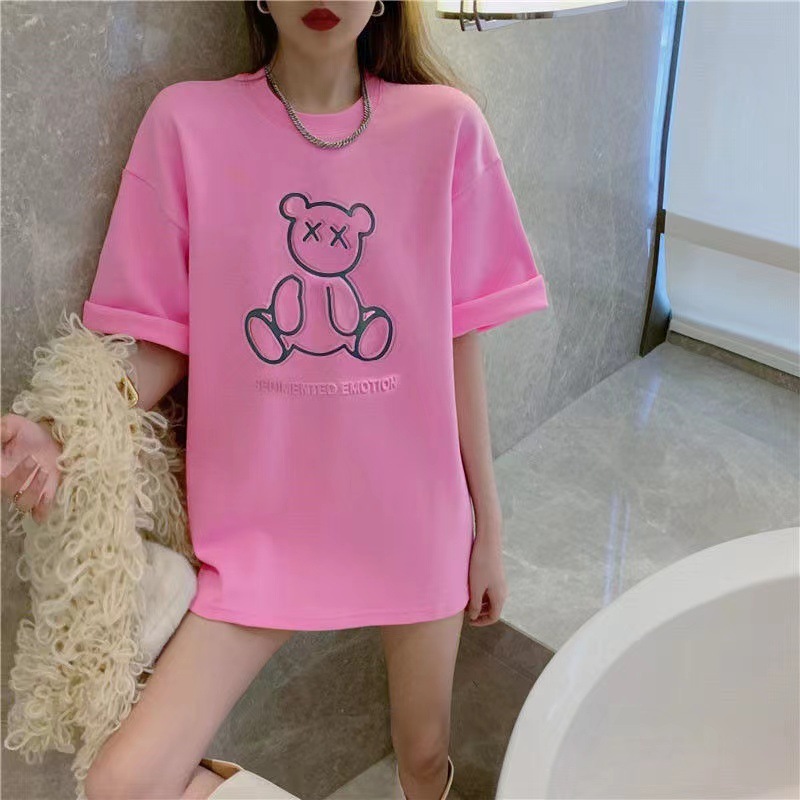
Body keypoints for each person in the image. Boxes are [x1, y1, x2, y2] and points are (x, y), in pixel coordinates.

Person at [0, 1, 549, 798]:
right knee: (124, 784)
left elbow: (457, 345)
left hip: (413, 518)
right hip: (260, 530)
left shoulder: (447, 128)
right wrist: (65, 432)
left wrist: (487, 528)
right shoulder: (189, 124)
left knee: (426, 758)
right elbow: (166, 339)